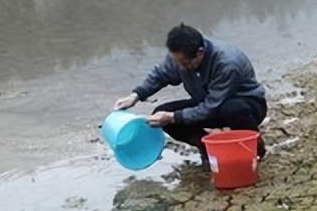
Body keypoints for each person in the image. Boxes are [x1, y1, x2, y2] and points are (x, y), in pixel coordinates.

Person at [114, 23, 267, 169]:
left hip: (245, 105)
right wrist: (136, 95)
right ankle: (206, 145)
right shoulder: (180, 55)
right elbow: (161, 75)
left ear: (200, 52)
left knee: (232, 109)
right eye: (177, 62)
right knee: (160, 115)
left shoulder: (226, 63)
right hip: (207, 102)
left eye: (185, 63)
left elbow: (211, 106)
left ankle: (253, 143)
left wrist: (175, 116)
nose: (181, 67)